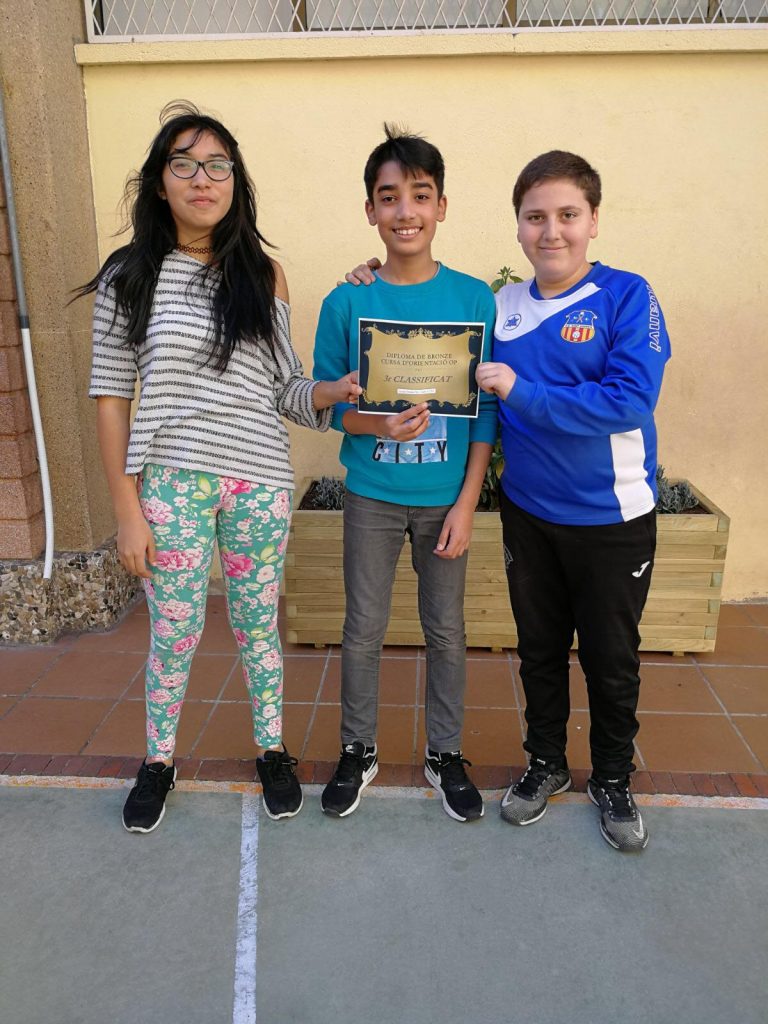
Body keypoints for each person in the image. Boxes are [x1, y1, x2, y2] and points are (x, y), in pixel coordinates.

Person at [347, 150, 670, 851]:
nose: (551, 231)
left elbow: (629, 400)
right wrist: (370, 277)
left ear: (593, 221)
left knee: (611, 658)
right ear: (518, 226)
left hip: (612, 517)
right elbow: (440, 340)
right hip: (529, 512)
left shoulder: (628, 295)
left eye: (567, 215)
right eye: (535, 217)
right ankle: (545, 763)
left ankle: (613, 778)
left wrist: (523, 391)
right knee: (539, 652)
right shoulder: (503, 307)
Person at [81, 102, 360, 832]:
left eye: (217, 166)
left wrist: (330, 392)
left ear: (235, 180)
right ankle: (158, 761)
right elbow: (111, 398)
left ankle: (272, 750)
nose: (201, 178)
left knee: (257, 627)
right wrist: (126, 510)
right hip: (171, 483)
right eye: (184, 164)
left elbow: (286, 389)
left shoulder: (264, 275)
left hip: (259, 482)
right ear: (160, 181)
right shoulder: (128, 276)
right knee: (173, 632)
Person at [312, 124, 498, 822]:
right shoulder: (347, 302)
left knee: (446, 630)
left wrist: (467, 502)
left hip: (445, 499)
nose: (405, 211)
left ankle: (444, 753)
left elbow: (485, 413)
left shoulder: (474, 300)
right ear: (370, 211)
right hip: (373, 495)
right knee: (362, 628)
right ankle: (358, 747)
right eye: (389, 197)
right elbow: (330, 405)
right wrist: (376, 424)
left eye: (420, 195)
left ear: (442, 205)